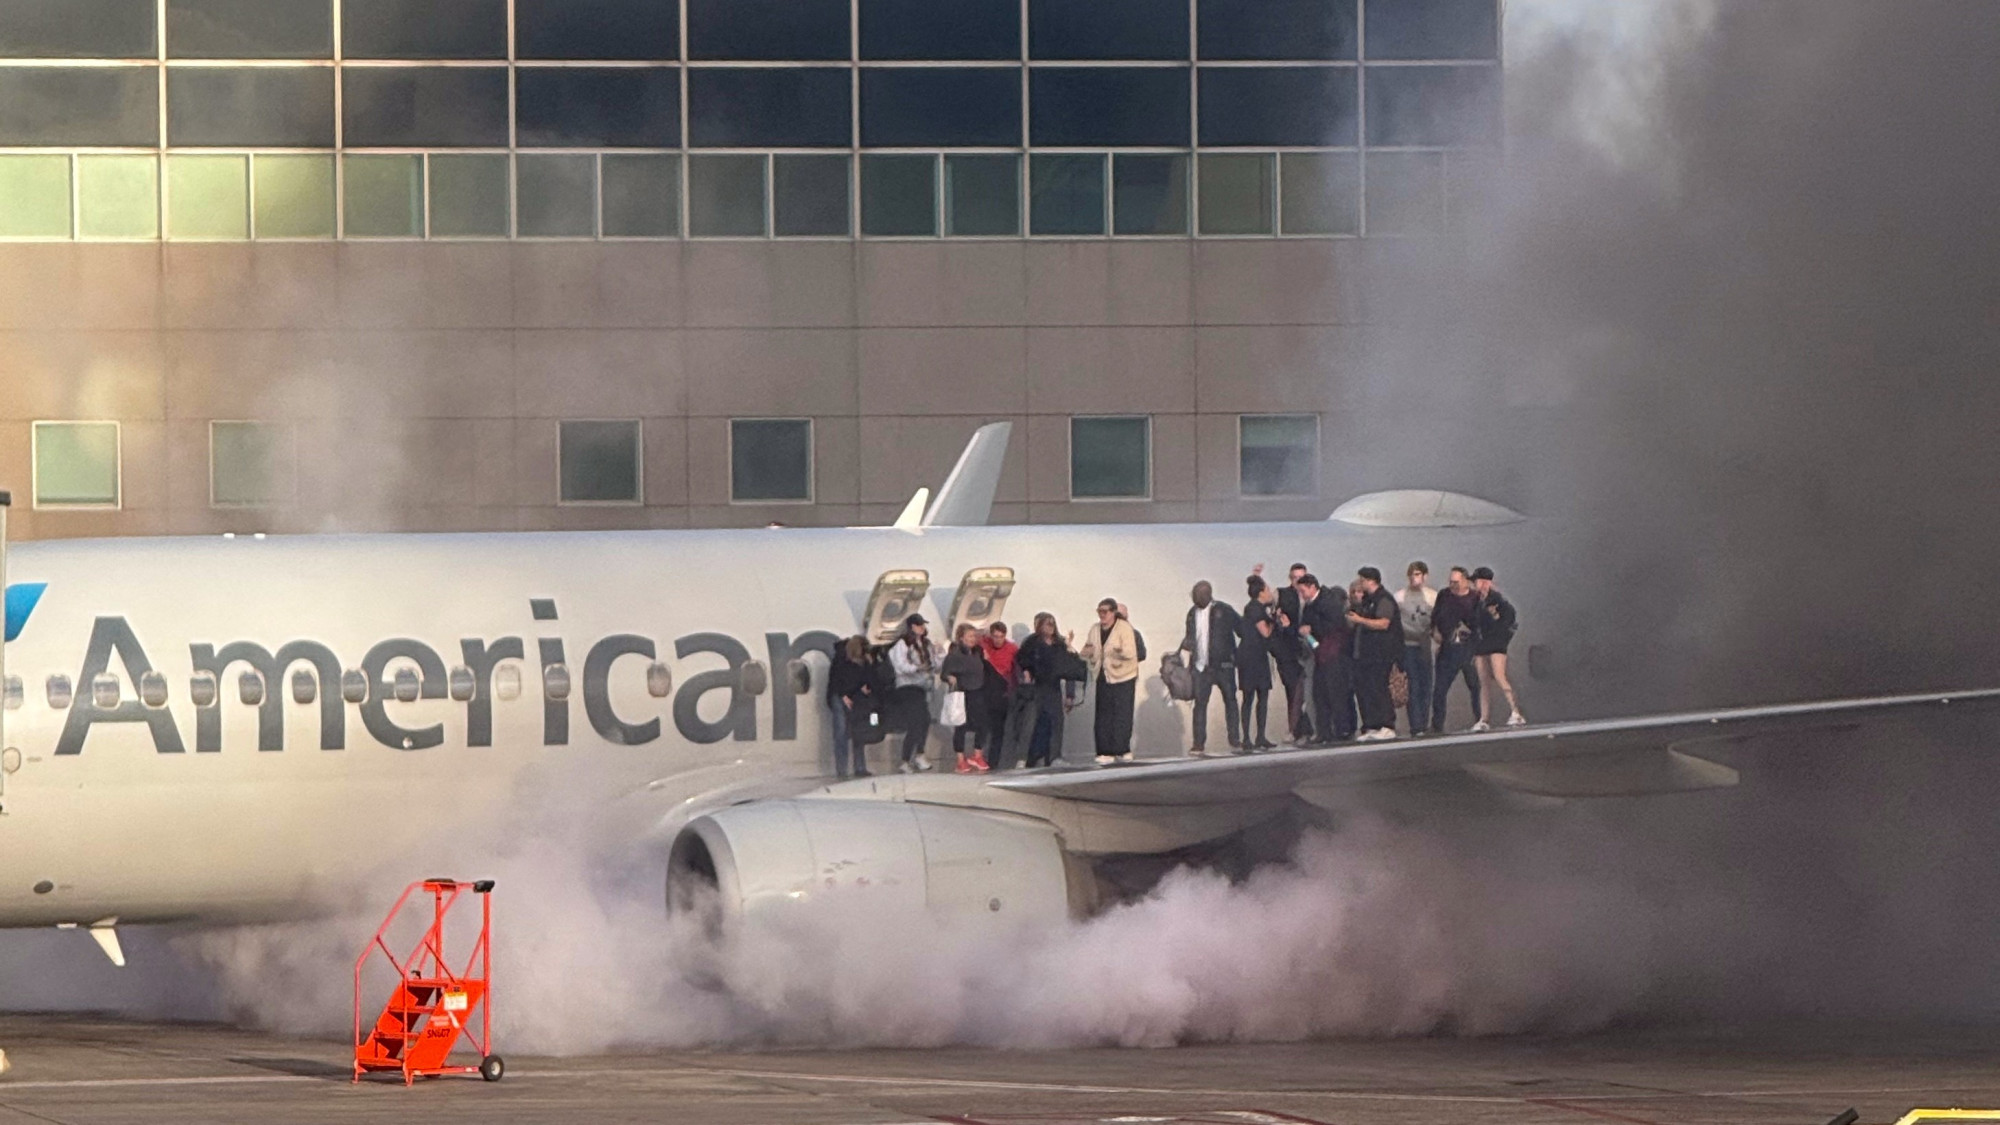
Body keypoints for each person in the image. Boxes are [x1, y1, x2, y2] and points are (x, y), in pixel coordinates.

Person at [1179, 581, 1242, 756]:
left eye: (1197, 596)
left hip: (1223, 666)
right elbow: (1191, 635)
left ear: (1207, 595)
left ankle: (1235, 739)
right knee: (1200, 704)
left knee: (1230, 700)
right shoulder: (1192, 613)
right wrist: (1188, 644)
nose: (1194, 599)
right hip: (1201, 666)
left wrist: (1234, 656)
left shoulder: (1224, 610)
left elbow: (1242, 629)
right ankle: (1198, 743)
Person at [1080, 598, 1141, 765]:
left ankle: (1122, 748)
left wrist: (1117, 651)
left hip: (1123, 676)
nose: (1102, 615)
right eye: (1099, 611)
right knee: (1103, 715)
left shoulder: (1125, 628)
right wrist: (1085, 652)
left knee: (1122, 714)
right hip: (1103, 675)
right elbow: (1089, 648)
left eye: (1105, 612)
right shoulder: (1095, 629)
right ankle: (1104, 750)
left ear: (1113, 612)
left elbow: (1131, 652)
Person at [1347, 567, 1404, 741]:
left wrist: (1360, 620)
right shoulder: (1367, 600)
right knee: (1367, 689)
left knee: (1379, 687)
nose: (1361, 583)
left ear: (1372, 581)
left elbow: (1384, 623)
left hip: (1381, 653)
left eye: (1363, 580)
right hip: (1366, 654)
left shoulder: (1383, 599)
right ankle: (1372, 724)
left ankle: (1387, 724)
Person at [1012, 613, 1074, 768]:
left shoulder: (1060, 644)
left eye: (1052, 623)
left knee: (1055, 723)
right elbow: (1022, 659)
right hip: (1036, 687)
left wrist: (1070, 694)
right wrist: (1026, 671)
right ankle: (1024, 757)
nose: (1050, 626)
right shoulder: (1031, 642)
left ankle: (1054, 757)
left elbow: (1069, 669)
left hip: (1053, 687)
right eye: (1047, 623)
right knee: (1030, 723)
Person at [1297, 574, 1352, 745]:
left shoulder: (1329, 602)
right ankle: (1324, 731)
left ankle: (1342, 729)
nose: (1302, 594)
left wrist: (1312, 628)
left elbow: (1335, 626)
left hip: (1334, 654)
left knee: (1335, 692)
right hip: (1319, 654)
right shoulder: (1308, 606)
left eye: (1303, 590)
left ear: (1312, 586)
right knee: (1319, 694)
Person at [1468, 566, 1526, 731]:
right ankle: (1484, 718)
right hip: (1482, 643)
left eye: (1477, 581)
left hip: (1496, 643)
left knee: (1500, 676)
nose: (1475, 584)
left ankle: (1516, 711)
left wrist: (1501, 634)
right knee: (1483, 682)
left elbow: (1508, 619)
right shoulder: (1476, 601)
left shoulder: (1498, 600)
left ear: (1485, 582)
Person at [1430, 566, 1483, 733]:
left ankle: (1481, 719)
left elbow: (1482, 625)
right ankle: (1437, 725)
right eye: (1451, 582)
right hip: (1448, 649)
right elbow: (1435, 619)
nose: (1453, 585)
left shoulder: (1475, 598)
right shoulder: (1444, 595)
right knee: (1439, 689)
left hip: (1469, 649)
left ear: (1465, 581)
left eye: (1456, 582)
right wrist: (1435, 633)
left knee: (1475, 687)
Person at [885, 614, 938, 772]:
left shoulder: (925, 644)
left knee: (925, 720)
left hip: (922, 686)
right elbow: (900, 665)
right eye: (919, 625)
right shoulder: (902, 644)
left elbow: (933, 663)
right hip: (907, 687)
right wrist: (916, 668)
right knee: (916, 721)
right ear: (912, 627)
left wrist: (938, 658)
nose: (922, 627)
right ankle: (906, 758)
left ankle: (919, 753)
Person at [939, 624, 992, 773]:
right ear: (961, 637)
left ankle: (977, 754)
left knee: (983, 724)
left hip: (978, 691)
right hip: (963, 692)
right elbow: (944, 673)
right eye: (969, 636)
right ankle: (960, 760)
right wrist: (950, 678)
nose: (972, 639)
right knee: (961, 726)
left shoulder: (977, 652)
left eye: (974, 636)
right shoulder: (955, 655)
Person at [1273, 563, 1315, 744]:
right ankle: (1295, 729)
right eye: (1294, 578)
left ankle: (1308, 729)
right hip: (1289, 652)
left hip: (1310, 649)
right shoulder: (1282, 594)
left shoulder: (1313, 598)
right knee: (1293, 691)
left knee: (1310, 692)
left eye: (1301, 578)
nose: (1297, 582)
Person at [1395, 562, 1438, 736]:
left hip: (1425, 645)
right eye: (1411, 574)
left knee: (1426, 684)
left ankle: (1424, 722)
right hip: (1408, 646)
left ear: (1425, 576)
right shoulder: (1399, 597)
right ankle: (1416, 725)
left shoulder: (1433, 597)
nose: (1415, 578)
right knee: (1412, 685)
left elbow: (1437, 622)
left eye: (1418, 574)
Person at [1237, 575, 1278, 750]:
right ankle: (1248, 737)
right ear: (1261, 593)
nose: (1269, 593)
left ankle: (1258, 736)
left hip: (1255, 656)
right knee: (1252, 697)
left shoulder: (1256, 607)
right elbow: (1266, 632)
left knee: (1259, 697)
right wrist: (1275, 622)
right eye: (1267, 590)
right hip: (1252, 657)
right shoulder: (1255, 609)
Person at [825, 635, 874, 778]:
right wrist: (843, 696)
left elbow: (867, 679)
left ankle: (860, 767)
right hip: (840, 697)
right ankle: (842, 770)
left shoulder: (863, 662)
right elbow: (835, 681)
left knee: (858, 731)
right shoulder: (840, 659)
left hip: (855, 697)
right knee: (841, 733)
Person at [978, 622, 1017, 768]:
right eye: (995, 636)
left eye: (1000, 637)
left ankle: (993, 762)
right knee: (984, 727)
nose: (997, 640)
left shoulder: (1012, 649)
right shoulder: (984, 644)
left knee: (998, 730)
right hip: (986, 692)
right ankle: (979, 757)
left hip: (1003, 693)